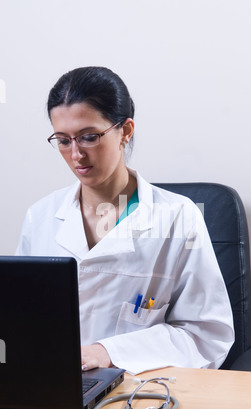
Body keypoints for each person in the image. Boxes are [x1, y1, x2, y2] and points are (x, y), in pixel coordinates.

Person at [15, 66, 234, 374]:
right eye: (63, 140)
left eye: (89, 137)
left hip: (143, 389)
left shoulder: (178, 217)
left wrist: (108, 352)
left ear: (126, 130)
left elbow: (206, 335)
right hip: (53, 384)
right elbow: (22, 319)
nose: (76, 154)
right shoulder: (40, 216)